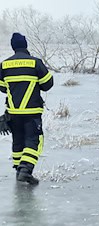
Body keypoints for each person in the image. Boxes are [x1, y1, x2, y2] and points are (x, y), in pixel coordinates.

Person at [0, 33, 54, 185]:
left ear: (13, 47)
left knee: (18, 142)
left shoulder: (4, 65)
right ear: (26, 45)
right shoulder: (35, 63)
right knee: (34, 141)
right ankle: (26, 170)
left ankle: (18, 170)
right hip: (32, 112)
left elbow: (3, 88)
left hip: (13, 113)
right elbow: (48, 84)